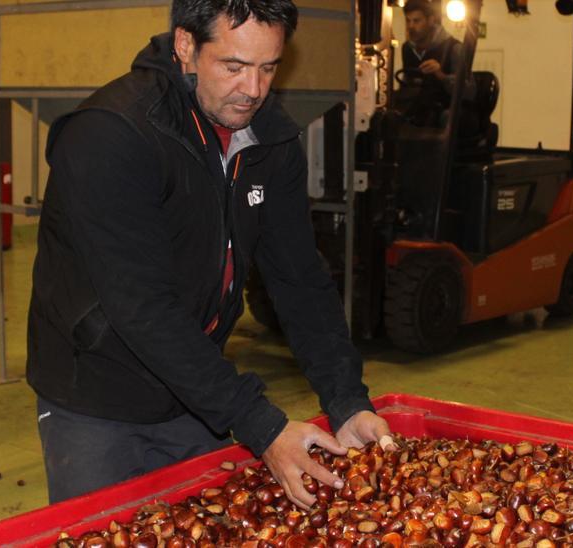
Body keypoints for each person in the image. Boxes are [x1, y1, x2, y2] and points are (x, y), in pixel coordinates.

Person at [25, 0, 394, 507]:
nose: (254, 90)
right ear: (185, 46)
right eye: (234, 67)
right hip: (97, 396)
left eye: (269, 68)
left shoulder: (269, 138)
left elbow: (299, 279)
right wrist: (261, 426)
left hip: (195, 393)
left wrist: (346, 400)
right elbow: (141, 304)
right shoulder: (112, 134)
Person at [397, 0, 473, 126]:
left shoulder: (454, 48)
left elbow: (469, 90)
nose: (411, 26)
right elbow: (407, 81)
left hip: (446, 108)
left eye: (416, 21)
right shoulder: (407, 49)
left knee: (445, 118)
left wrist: (441, 75)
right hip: (420, 107)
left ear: (431, 21)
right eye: (408, 21)